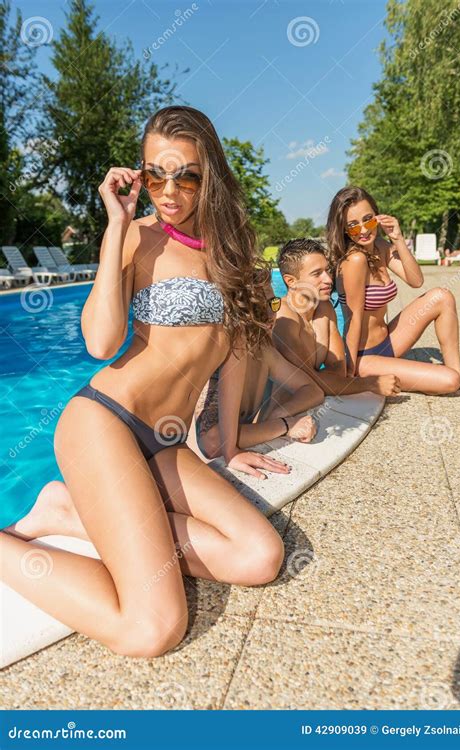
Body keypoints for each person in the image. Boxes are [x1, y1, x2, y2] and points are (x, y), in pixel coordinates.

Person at [1, 106, 288, 659]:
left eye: (186, 176)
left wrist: (227, 446)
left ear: (213, 176)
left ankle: (68, 512)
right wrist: (115, 226)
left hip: (165, 443)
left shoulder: (236, 252)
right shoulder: (137, 236)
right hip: (105, 423)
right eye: (155, 174)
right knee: (151, 629)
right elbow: (101, 343)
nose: (169, 191)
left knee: (258, 557)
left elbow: (233, 359)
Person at [326, 186, 460, 393]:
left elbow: (416, 281)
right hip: (365, 357)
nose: (364, 230)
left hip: (389, 342)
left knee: (442, 296)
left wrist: (398, 238)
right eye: (353, 225)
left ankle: (458, 368)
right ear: (343, 229)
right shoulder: (355, 260)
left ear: (377, 217)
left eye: (368, 220)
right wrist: (349, 375)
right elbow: (354, 319)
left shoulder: (379, 246)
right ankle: (453, 374)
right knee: (449, 381)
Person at [194, 280, 324, 471]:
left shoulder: (263, 351)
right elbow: (211, 442)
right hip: (200, 469)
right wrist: (285, 425)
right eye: (259, 308)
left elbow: (313, 391)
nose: (272, 315)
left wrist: (281, 413)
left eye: (273, 303)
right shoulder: (220, 357)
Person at [271, 238, 401, 399]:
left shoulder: (324, 308)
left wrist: (324, 380)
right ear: (291, 281)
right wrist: (370, 383)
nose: (328, 280)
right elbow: (307, 381)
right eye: (317, 274)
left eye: (327, 270)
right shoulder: (284, 317)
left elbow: (338, 366)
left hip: (308, 401)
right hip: (277, 410)